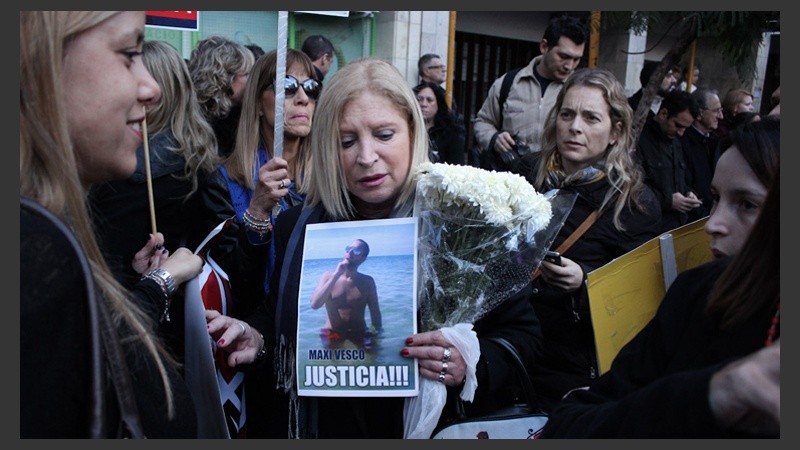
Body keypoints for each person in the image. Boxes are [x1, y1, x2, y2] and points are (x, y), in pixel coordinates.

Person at [206, 57, 543, 438]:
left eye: (384, 135)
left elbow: (524, 336)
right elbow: (283, 316)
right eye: (347, 141)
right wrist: (259, 338)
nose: (366, 158)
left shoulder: (461, 224)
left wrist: (468, 363)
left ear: (414, 132)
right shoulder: (298, 226)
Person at [20, 11, 202, 438]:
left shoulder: (52, 238)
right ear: (41, 60)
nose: (152, 87)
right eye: (128, 53)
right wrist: (159, 284)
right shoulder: (35, 254)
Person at [540, 125, 780, 437]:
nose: (714, 224)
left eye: (748, 204)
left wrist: (583, 280)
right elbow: (574, 422)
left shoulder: (639, 203)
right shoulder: (696, 295)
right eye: (716, 198)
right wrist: (710, 396)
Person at [511, 68, 663, 413]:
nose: (574, 127)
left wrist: (585, 280)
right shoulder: (524, 174)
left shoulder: (634, 203)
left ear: (616, 131)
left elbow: (640, 298)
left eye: (590, 117)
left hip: (570, 365)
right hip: (511, 346)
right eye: (567, 114)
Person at [220, 48, 319, 297]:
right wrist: (257, 212)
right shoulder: (224, 181)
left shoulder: (330, 178)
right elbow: (235, 281)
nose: (302, 98)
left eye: (310, 87)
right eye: (287, 85)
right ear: (258, 103)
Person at [473, 15, 588, 168]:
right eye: (564, 56)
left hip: (556, 180)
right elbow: (482, 122)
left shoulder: (579, 91)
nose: (569, 66)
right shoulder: (509, 82)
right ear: (544, 46)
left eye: (576, 59)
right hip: (509, 178)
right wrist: (494, 138)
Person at [635, 89, 703, 232]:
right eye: (678, 125)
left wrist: (688, 194)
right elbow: (633, 186)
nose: (681, 132)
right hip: (648, 228)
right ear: (663, 114)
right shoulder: (640, 140)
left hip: (674, 226)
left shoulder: (675, 141)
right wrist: (668, 201)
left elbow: (679, 179)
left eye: (685, 128)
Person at [309, 239, 382, 349]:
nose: (350, 252)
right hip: (333, 332)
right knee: (330, 364)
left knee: (374, 361)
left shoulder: (368, 282)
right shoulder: (328, 276)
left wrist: (378, 335)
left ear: (363, 259)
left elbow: (375, 313)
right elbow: (315, 304)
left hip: (360, 332)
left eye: (356, 250)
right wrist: (336, 275)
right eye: (348, 248)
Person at [189, 36, 255, 157]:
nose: (252, 81)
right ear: (225, 78)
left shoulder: (244, 118)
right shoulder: (194, 126)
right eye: (247, 74)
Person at [679, 87, 723, 222]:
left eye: (721, 110)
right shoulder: (682, 142)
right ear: (699, 113)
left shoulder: (715, 141)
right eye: (716, 111)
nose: (721, 116)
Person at [413, 80, 466, 164]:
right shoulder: (407, 128)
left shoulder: (451, 133)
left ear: (439, 104)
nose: (423, 104)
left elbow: (456, 165)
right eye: (419, 99)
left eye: (429, 100)